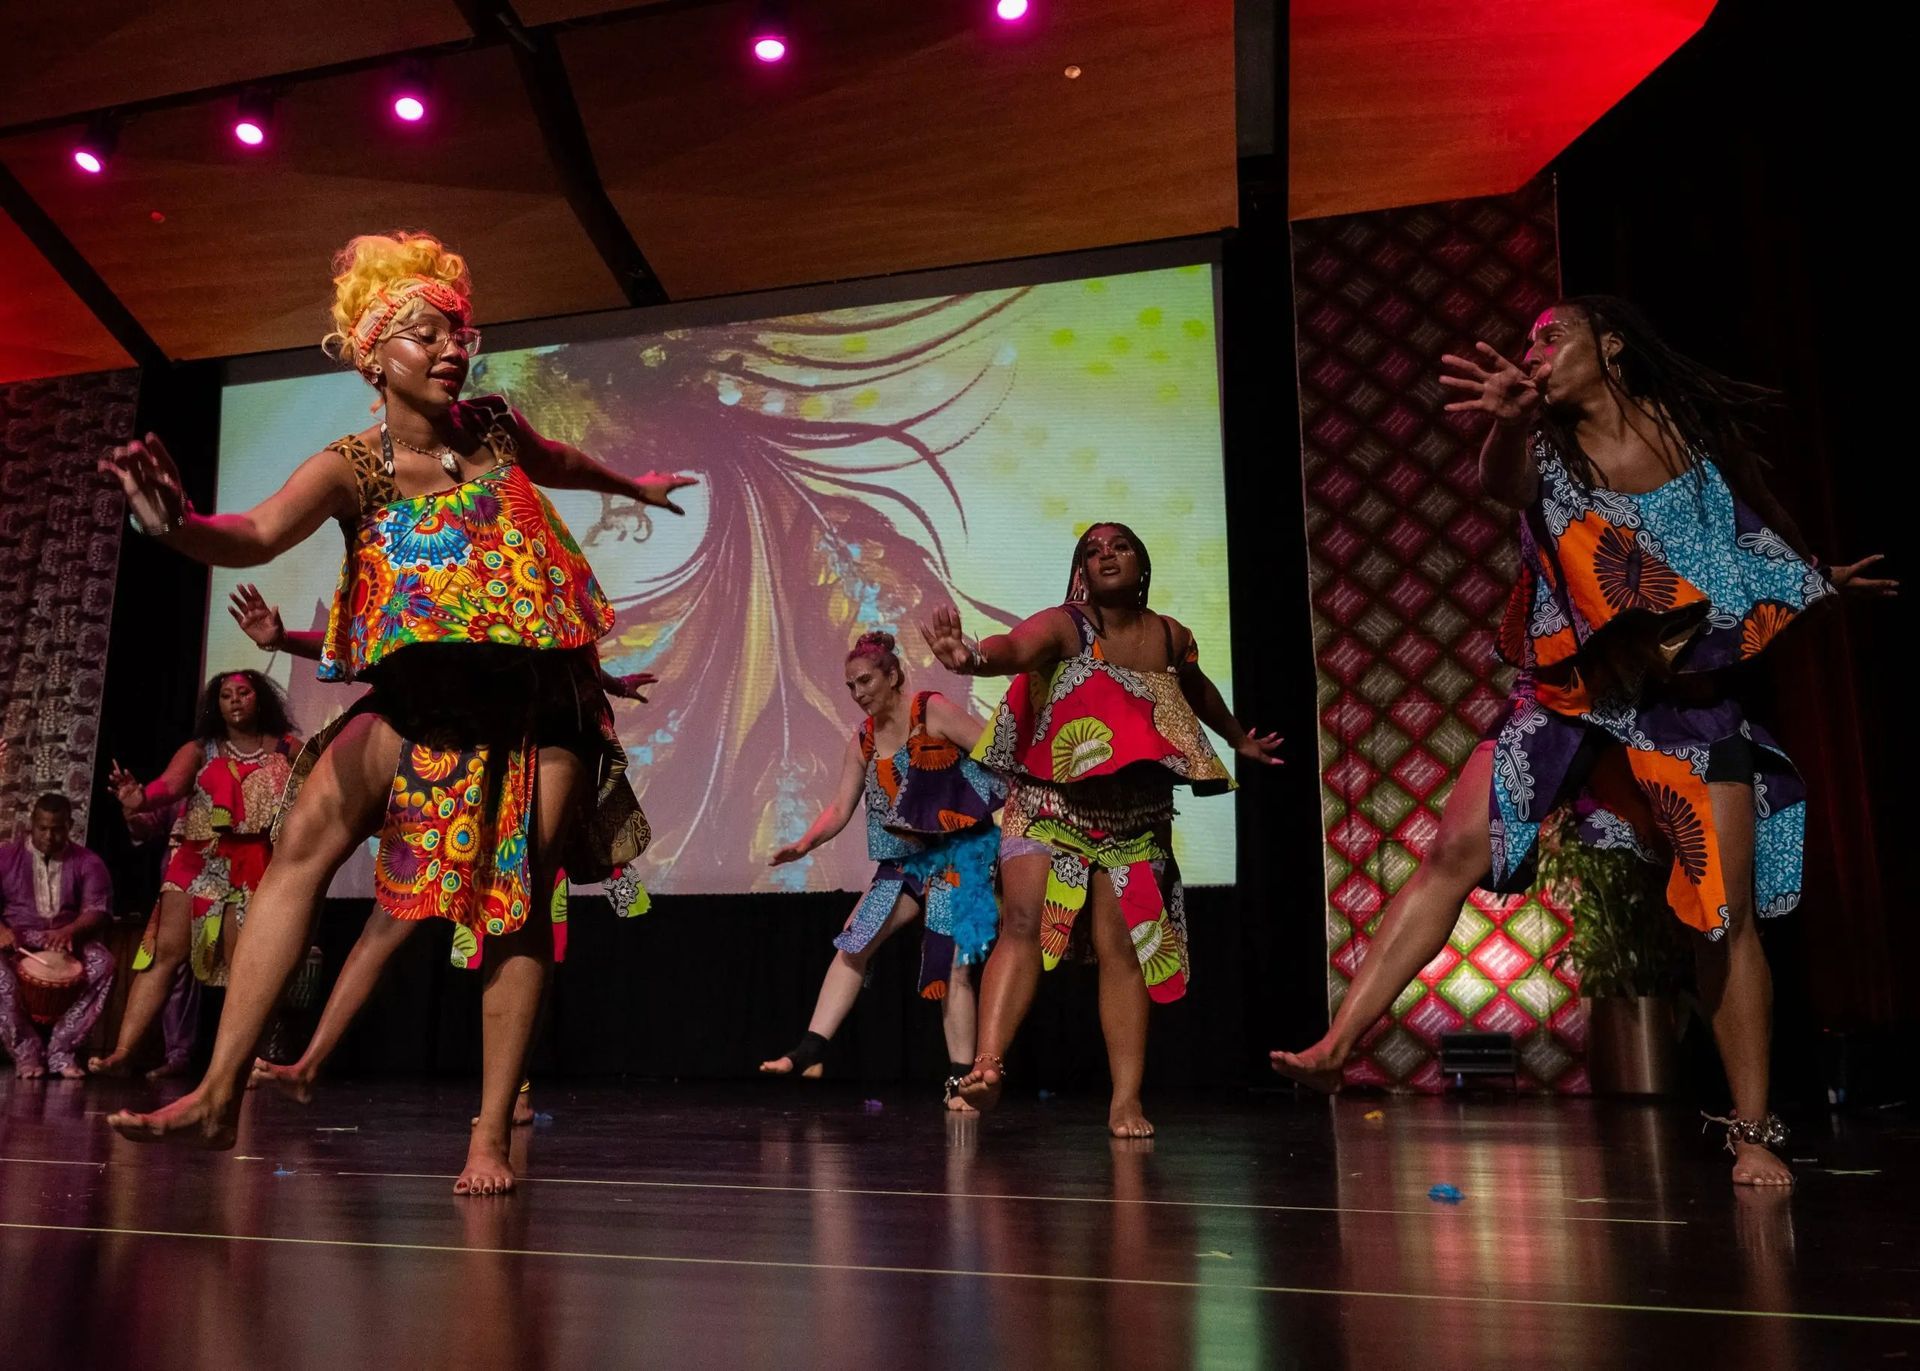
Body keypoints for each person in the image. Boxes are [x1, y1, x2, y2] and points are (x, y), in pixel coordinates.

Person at [96, 230, 691, 1194]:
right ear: (375, 356)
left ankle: (490, 1132)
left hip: (539, 710)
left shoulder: (492, 429)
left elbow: (561, 458)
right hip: (422, 703)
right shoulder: (352, 468)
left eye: (458, 332)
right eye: (427, 335)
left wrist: (633, 485)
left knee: (519, 902)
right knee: (300, 843)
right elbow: (250, 532)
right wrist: (174, 527)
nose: (454, 348)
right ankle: (217, 1092)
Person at [1270, 296, 1897, 1187]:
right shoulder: (1546, 448)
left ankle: (1753, 1129)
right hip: (1570, 693)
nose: (1534, 351)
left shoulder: (1688, 441)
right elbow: (1504, 482)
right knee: (1454, 845)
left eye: (1548, 335)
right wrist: (1508, 428)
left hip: (1688, 708)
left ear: (1610, 346)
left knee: (1721, 913)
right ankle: (1338, 1046)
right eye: (1526, 341)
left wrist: (1818, 579)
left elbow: (1726, 557)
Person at [223, 585, 653, 1121]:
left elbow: (565, 664)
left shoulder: (538, 587)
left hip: (516, 781)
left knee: (515, 929)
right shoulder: (463, 587)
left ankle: (508, 1101)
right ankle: (310, 1065)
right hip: (455, 775)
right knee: (384, 928)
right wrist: (284, 639)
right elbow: (378, 648)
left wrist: (610, 682)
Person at [921, 523, 1282, 1136]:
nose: (1106, 553)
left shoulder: (1171, 636)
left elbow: (1195, 691)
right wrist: (973, 658)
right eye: (1093, 550)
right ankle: (986, 1066)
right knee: (1022, 924)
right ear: (1081, 572)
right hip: (1048, 801)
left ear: (1142, 563)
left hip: (1132, 818)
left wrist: (1238, 736)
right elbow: (1013, 646)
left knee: (1124, 952)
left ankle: (1125, 1102)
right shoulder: (1066, 624)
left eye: (1119, 545)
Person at [759, 630, 1003, 1104]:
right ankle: (811, 1049)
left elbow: (995, 753)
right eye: (851, 686)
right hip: (905, 860)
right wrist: (804, 844)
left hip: (959, 853)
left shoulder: (930, 710)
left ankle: (959, 1082)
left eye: (866, 680)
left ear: (893, 675)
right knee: (856, 938)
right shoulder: (863, 740)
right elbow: (839, 807)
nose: (859, 693)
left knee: (951, 962)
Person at [89, 671, 299, 1076]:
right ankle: (124, 1050)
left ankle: (236, 1062)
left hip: (254, 861)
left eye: (243, 693)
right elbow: (169, 785)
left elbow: (321, 781)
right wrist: (141, 797)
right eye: (225, 695)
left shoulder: (287, 747)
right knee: (164, 956)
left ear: (260, 699)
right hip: (196, 858)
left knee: (246, 966)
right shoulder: (201, 748)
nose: (235, 701)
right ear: (216, 705)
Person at [0, 794, 115, 1079]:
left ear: (70, 826)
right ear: (31, 825)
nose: (49, 836)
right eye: (42, 828)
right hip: (16, 940)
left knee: (103, 963)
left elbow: (97, 909)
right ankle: (26, 1052)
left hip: (68, 941)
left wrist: (70, 930)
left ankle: (61, 1050)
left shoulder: (88, 862)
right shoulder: (5, 858)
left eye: (57, 829)